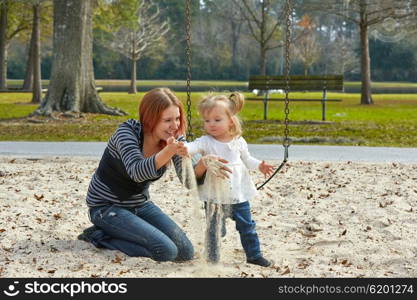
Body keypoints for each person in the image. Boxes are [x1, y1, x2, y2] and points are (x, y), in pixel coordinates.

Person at [77, 88, 228, 262]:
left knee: (185, 252)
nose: (175, 126)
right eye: (168, 120)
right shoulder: (126, 133)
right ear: (150, 119)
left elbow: (188, 179)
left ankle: (124, 232)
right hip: (106, 207)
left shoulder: (174, 137)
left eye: (177, 118)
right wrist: (169, 151)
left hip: (140, 204)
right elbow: (137, 172)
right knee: (165, 251)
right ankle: (98, 235)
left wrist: (203, 163)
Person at [184, 92, 275, 267]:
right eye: (207, 120)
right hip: (215, 195)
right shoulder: (206, 141)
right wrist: (182, 147)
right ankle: (212, 258)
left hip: (238, 194)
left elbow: (247, 160)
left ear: (231, 120)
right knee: (215, 230)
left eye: (217, 120)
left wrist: (260, 166)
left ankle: (254, 255)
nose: (211, 124)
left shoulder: (238, 141)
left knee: (247, 226)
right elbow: (192, 147)